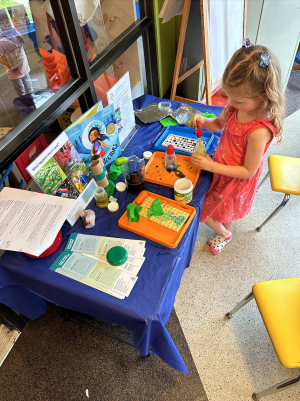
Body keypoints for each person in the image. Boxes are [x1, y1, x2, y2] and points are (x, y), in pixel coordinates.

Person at [188, 40, 284, 255]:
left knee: (208, 211)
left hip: (236, 179)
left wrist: (210, 166)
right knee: (224, 211)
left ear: (263, 97)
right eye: (229, 96)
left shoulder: (259, 131)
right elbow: (217, 124)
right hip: (222, 167)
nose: (231, 103)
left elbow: (248, 170)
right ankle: (225, 229)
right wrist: (203, 120)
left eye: (238, 101)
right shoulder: (234, 107)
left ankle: (225, 235)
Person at [0, 28, 33, 96]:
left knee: (29, 88)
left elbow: (27, 43)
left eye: (9, 25)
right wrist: (10, 66)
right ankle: (24, 102)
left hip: (24, 67)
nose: (8, 28)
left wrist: (18, 35)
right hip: (14, 72)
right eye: (5, 26)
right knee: (20, 90)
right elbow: (0, 57)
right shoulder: (1, 42)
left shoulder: (17, 35)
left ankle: (32, 100)